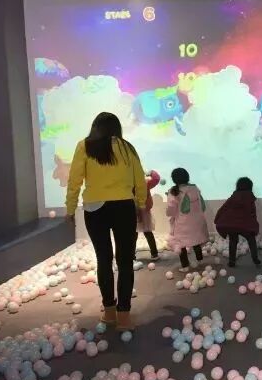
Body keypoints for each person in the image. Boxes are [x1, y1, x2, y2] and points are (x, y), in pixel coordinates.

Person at [65, 112, 146, 331]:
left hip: (95, 208)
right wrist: (140, 205)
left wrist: (70, 208)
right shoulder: (127, 148)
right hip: (123, 207)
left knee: (104, 259)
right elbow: (140, 179)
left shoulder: (84, 146)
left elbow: (74, 180)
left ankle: (109, 312)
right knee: (125, 261)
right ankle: (124, 316)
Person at [166, 168, 209, 272]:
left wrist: (169, 213)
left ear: (174, 179)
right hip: (197, 221)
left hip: (183, 224)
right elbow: (201, 205)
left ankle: (185, 266)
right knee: (196, 240)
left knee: (181, 244)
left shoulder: (174, 191)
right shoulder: (195, 188)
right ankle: (200, 260)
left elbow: (171, 210)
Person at [214, 177, 261, 267]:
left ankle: (232, 261)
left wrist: (216, 219)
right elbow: (252, 214)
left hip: (232, 225)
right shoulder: (250, 198)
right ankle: (255, 259)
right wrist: (254, 226)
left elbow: (223, 208)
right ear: (250, 186)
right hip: (245, 225)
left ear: (238, 186)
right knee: (251, 240)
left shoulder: (233, 197)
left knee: (233, 241)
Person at [136, 170, 161, 261]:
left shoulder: (143, 182)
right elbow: (156, 179)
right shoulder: (145, 182)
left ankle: (131, 256)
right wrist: (151, 172)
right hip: (141, 209)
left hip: (137, 209)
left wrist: (150, 173)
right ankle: (154, 254)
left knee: (134, 234)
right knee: (146, 232)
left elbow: (156, 179)